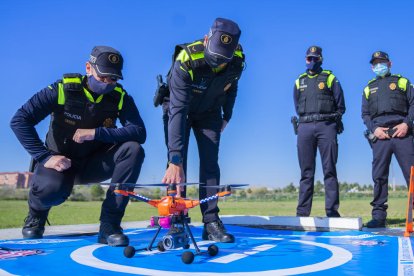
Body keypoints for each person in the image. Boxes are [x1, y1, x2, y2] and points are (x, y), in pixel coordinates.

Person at [10, 46, 146, 246]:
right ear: (89, 68)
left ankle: (109, 225)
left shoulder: (120, 98)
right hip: (59, 165)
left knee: (134, 149)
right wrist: (45, 157)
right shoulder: (62, 90)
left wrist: (96, 133)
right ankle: (36, 215)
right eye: (104, 77)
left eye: (114, 79)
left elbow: (139, 132)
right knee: (51, 191)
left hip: (93, 164)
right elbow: (20, 120)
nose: (109, 83)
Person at [161, 18, 245, 243]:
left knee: (210, 164)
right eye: (214, 56)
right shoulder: (187, 59)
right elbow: (177, 110)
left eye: (223, 59)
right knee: (178, 167)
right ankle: (177, 221)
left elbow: (232, 87)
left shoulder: (237, 60)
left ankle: (210, 222)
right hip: (180, 108)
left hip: (209, 112)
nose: (217, 62)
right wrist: (175, 158)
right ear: (206, 39)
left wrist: (227, 116)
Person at [361, 51, 414, 228]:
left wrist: (406, 124)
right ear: (371, 67)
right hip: (381, 136)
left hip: (402, 133)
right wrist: (374, 129)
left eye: (382, 62)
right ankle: (378, 216)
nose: (379, 66)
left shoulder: (402, 82)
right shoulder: (368, 87)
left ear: (390, 63)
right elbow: (365, 114)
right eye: (375, 63)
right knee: (379, 177)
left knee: (412, 174)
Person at [293, 46, 345, 218]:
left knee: (329, 169)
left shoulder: (330, 78)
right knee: (306, 172)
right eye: (309, 58)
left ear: (321, 59)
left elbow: (341, 105)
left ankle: (332, 211)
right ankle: (302, 214)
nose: (312, 61)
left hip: (326, 127)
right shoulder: (299, 81)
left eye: (316, 58)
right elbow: (297, 105)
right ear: (305, 59)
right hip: (305, 127)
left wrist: (332, 120)